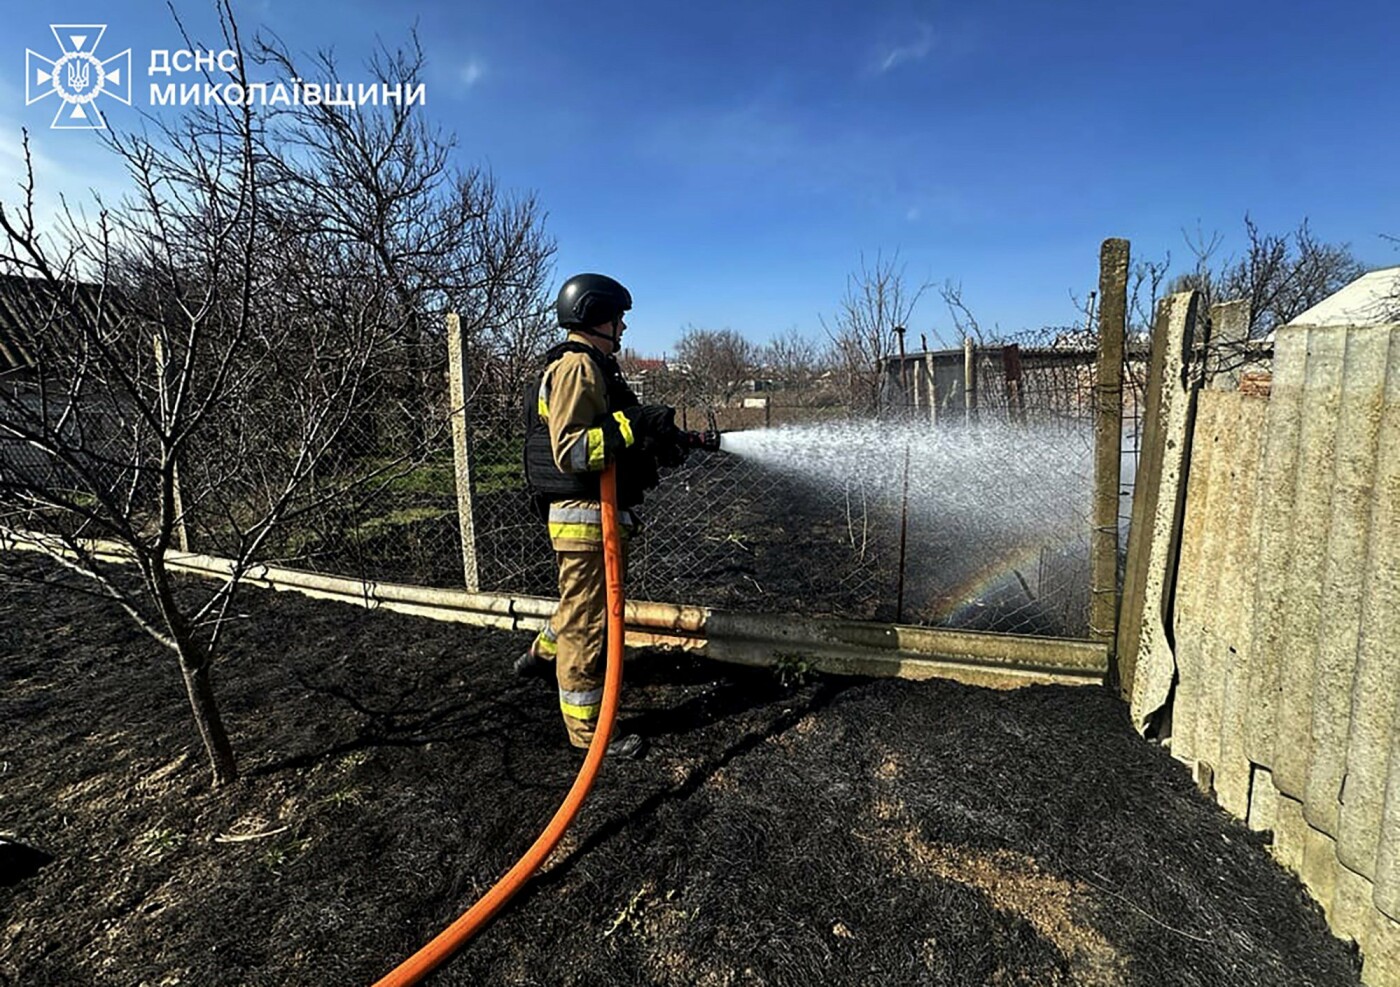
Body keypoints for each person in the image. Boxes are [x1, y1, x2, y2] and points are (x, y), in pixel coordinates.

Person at [516, 273, 688, 759]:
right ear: (595, 315)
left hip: (594, 516)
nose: (623, 329)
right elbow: (574, 449)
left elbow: (610, 434)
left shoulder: (591, 366)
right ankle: (589, 733)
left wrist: (654, 439)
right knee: (590, 623)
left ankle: (540, 655)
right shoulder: (578, 369)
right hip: (587, 518)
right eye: (619, 319)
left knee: (579, 604)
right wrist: (634, 428)